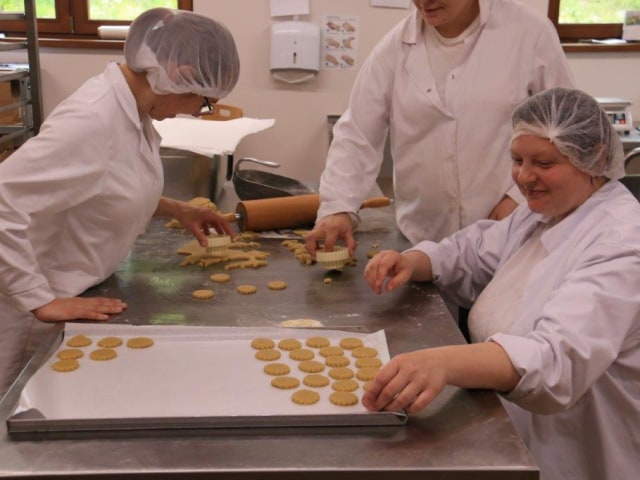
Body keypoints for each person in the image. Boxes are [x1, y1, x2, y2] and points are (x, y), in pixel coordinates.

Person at [361, 87, 640, 480]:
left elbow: (555, 361)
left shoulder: (621, 243)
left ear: (593, 158)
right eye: (517, 159)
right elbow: (474, 250)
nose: (525, 177)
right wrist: (413, 261)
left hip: (577, 452)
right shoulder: (547, 211)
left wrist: (443, 362)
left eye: (543, 162)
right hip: (511, 433)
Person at [0, 8, 240, 397]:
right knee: (22, 423)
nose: (199, 111)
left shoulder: (133, 109)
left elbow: (108, 184)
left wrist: (179, 209)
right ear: (178, 76)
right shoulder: (92, 121)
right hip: (33, 313)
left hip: (80, 289)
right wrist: (39, 300)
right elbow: (3, 198)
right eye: (205, 100)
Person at [306, 0, 574, 258]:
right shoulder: (394, 49)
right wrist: (337, 208)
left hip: (510, 231)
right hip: (421, 240)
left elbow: (563, 127)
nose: (424, 1)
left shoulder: (528, 33)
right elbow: (357, 135)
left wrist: (521, 195)